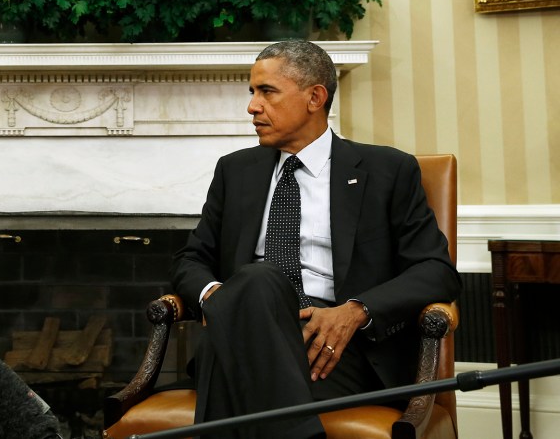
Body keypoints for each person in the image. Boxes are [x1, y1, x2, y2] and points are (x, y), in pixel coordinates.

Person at [171, 40, 461, 439]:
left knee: (244, 362)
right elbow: (190, 261)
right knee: (258, 280)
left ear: (315, 97)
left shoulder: (386, 170)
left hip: (337, 349)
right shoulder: (235, 171)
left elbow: (436, 271)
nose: (252, 106)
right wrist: (220, 300)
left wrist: (355, 311)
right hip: (243, 330)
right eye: (252, 93)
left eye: (266, 92)